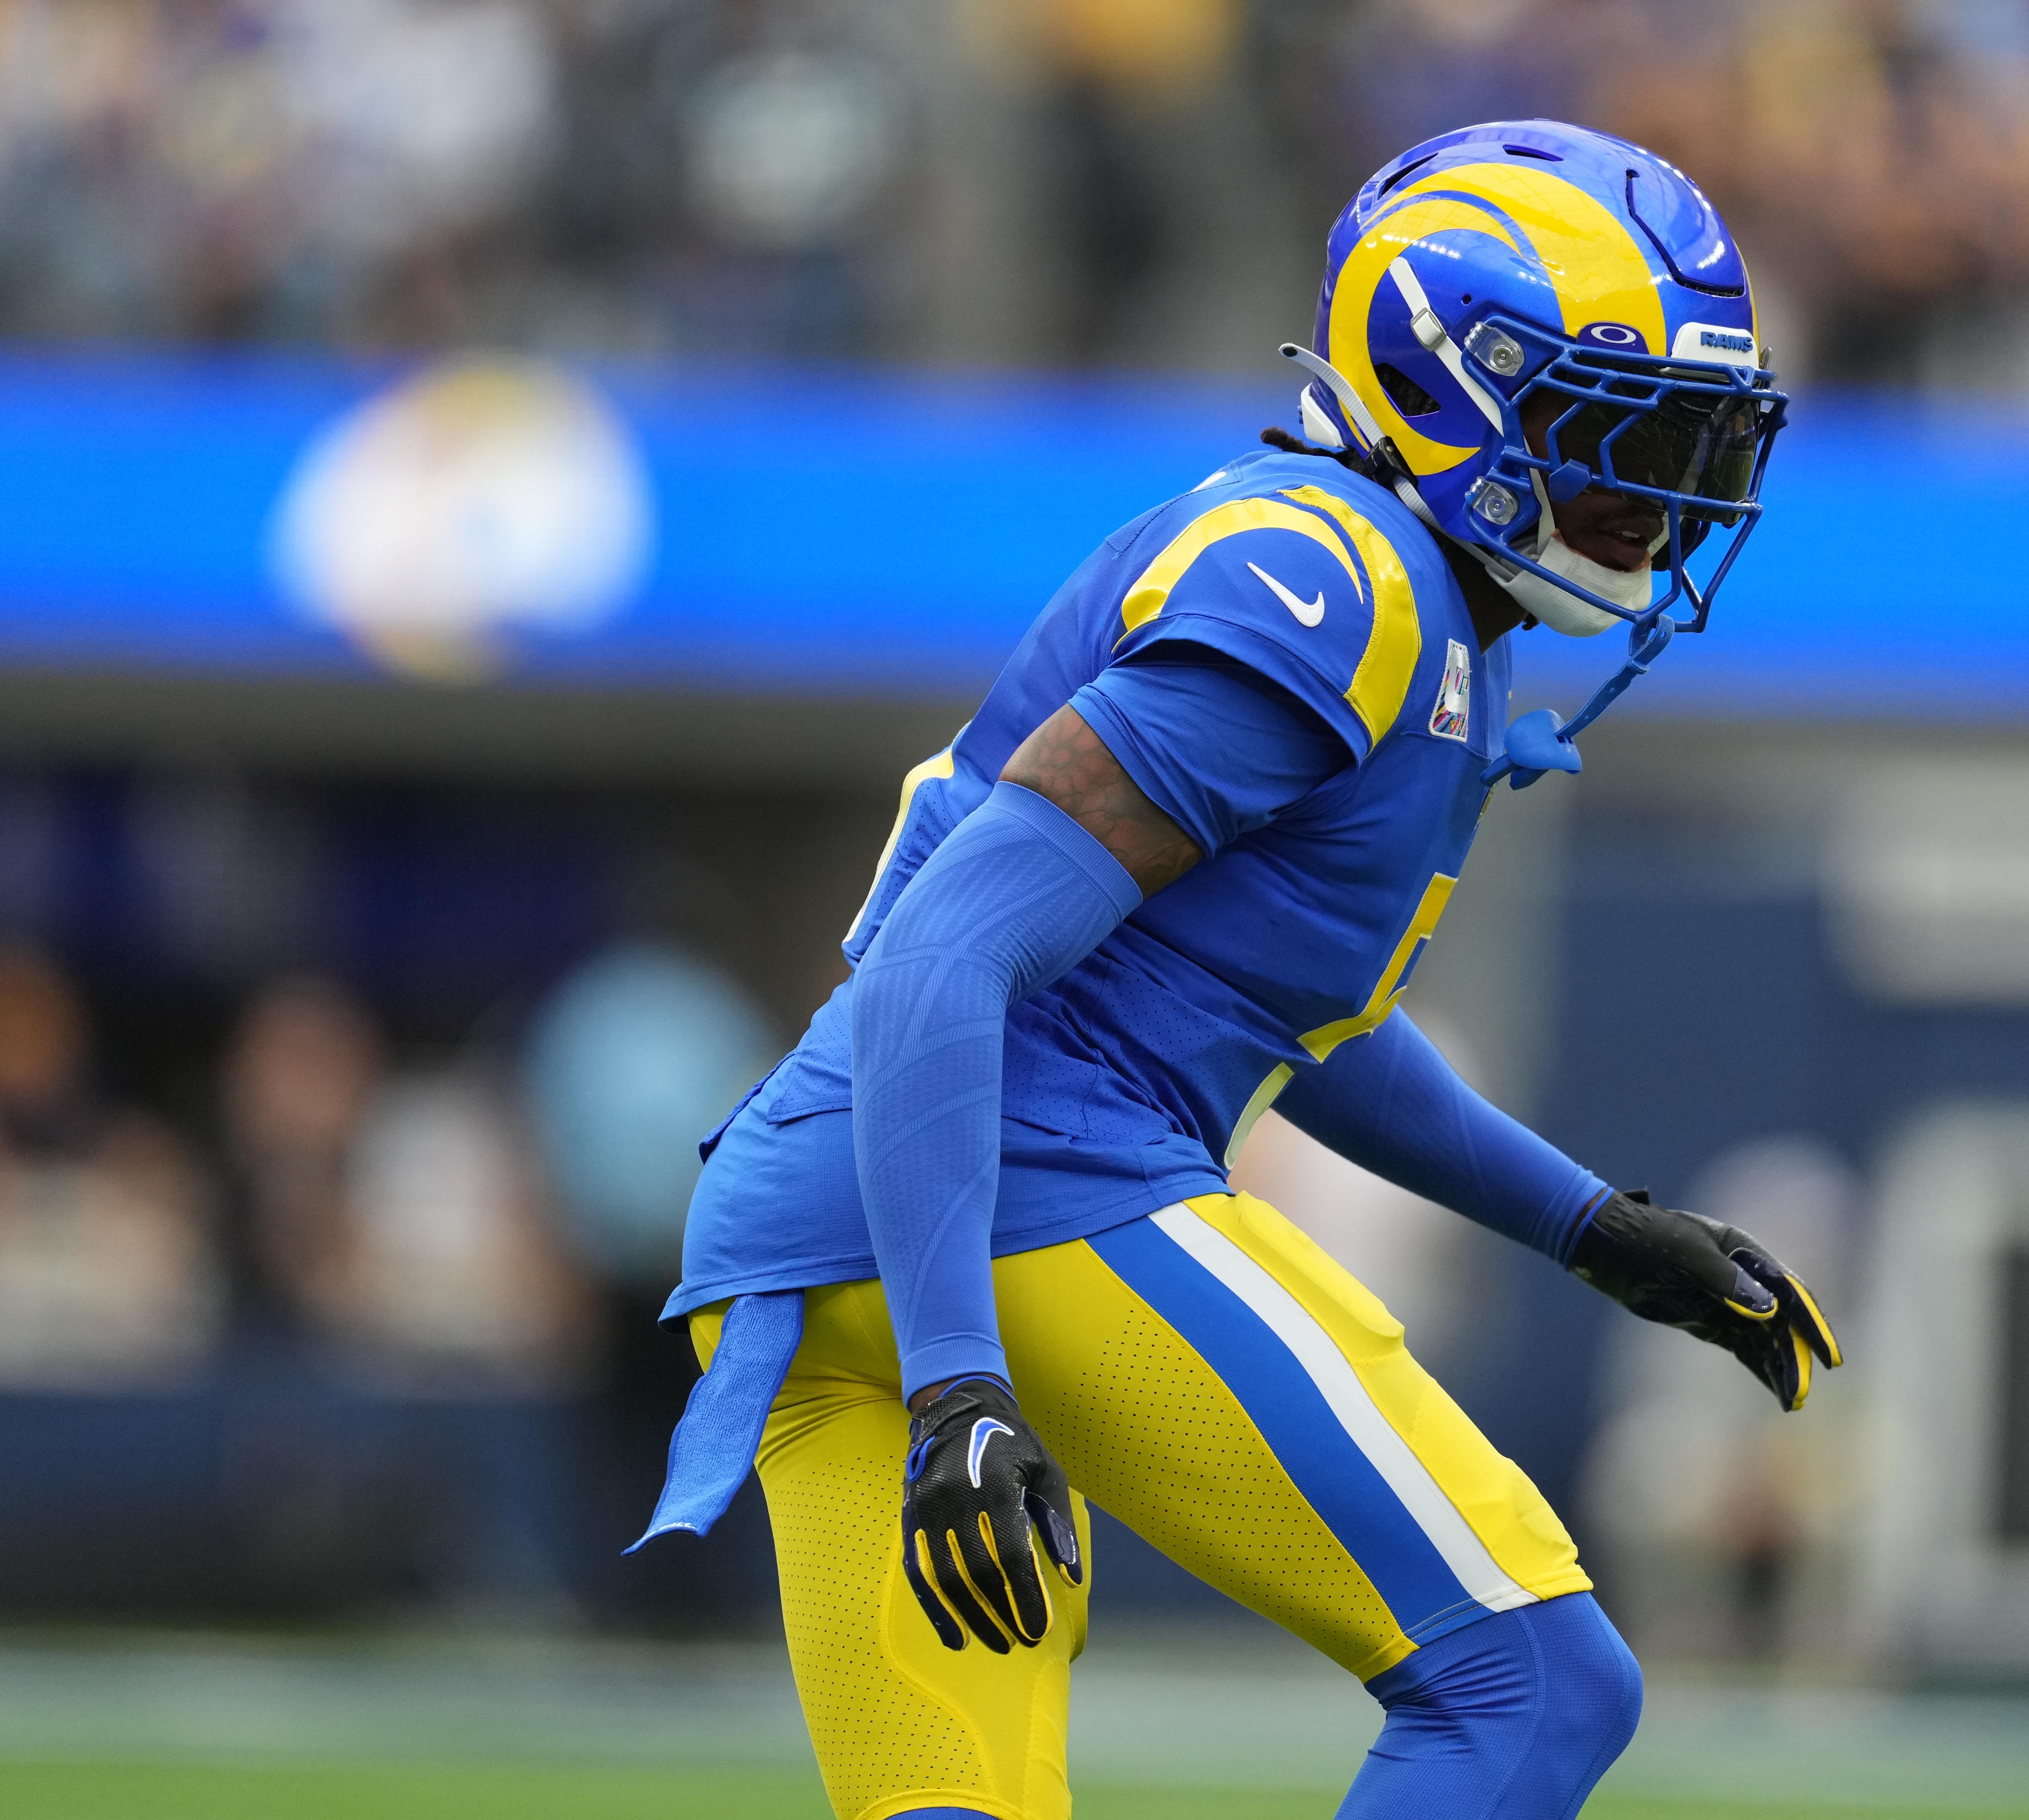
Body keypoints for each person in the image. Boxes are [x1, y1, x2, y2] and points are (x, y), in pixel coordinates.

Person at [632, 119, 1841, 1820]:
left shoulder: (1384, 588)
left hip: (816, 1227)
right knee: (1532, 1674)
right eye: (1627, 435)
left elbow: (1282, 1021)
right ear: (1452, 389)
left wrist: (1590, 1223)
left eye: (1697, 442)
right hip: (1014, 1190)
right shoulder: (1340, 581)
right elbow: (939, 962)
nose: (1667, 495)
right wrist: (964, 1370)